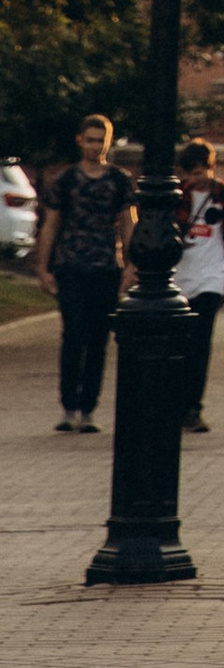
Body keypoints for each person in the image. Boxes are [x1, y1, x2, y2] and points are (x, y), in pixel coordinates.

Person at [34, 115, 136, 433]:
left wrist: (133, 264)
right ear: (80, 140)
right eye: (90, 139)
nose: (95, 146)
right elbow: (51, 224)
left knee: (98, 340)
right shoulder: (66, 180)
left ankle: (88, 408)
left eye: (100, 140)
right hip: (71, 266)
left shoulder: (119, 180)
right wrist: (43, 266)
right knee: (73, 334)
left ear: (108, 142)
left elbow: (127, 222)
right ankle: (68, 405)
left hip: (105, 266)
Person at [173, 141, 224, 428]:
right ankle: (176, 403)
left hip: (212, 276)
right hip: (179, 278)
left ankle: (193, 407)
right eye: (191, 173)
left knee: (200, 344)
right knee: (179, 344)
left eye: (201, 171)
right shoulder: (176, 195)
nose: (197, 178)